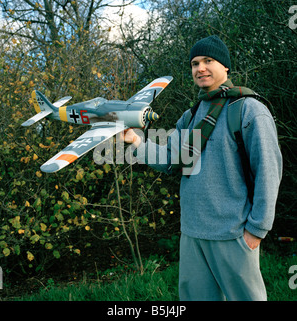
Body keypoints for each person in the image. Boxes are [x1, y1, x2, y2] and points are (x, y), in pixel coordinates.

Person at [120, 35, 282, 301]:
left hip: (233, 233)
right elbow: (171, 160)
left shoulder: (248, 110)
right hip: (193, 233)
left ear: (225, 66)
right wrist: (136, 140)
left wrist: (256, 230)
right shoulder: (191, 116)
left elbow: (268, 171)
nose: (200, 68)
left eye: (208, 61)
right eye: (195, 63)